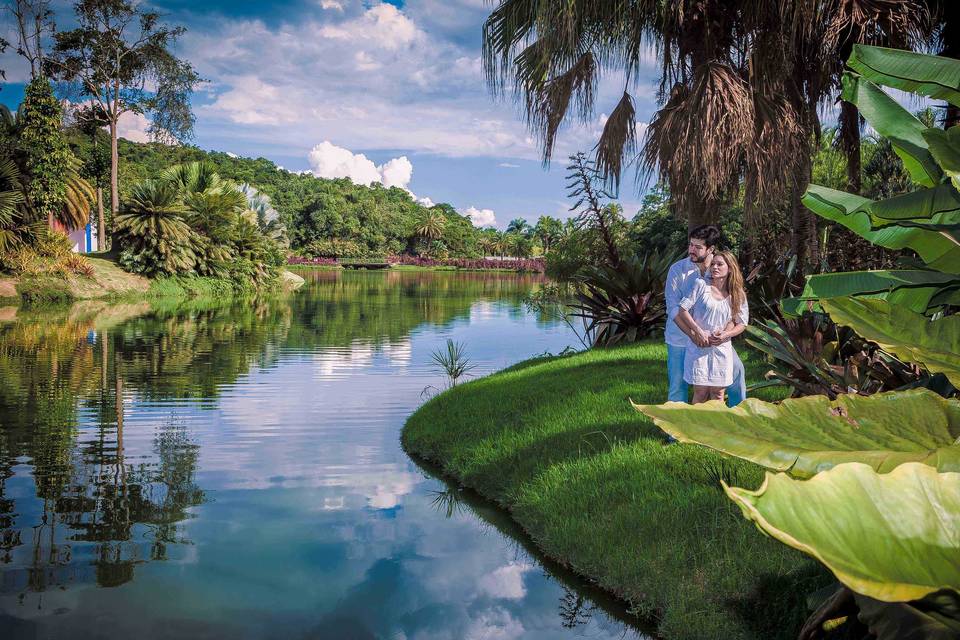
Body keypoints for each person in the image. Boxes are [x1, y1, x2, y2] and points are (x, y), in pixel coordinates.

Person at [663, 226, 746, 405]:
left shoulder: (718, 269)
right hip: (679, 338)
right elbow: (674, 310)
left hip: (716, 340)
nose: (691, 250)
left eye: (698, 247)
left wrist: (722, 334)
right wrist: (694, 334)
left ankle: (739, 423)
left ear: (710, 249)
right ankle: (676, 433)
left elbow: (732, 310)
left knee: (737, 374)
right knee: (678, 386)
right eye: (691, 245)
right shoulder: (677, 270)